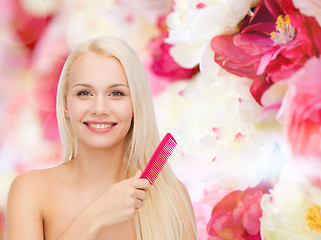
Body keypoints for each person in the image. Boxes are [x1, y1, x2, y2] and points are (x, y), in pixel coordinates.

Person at [6, 36, 197, 240]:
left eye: (116, 93)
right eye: (84, 93)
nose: (99, 109)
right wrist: (96, 216)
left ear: (135, 105)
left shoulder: (172, 197)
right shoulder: (31, 191)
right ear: (66, 105)